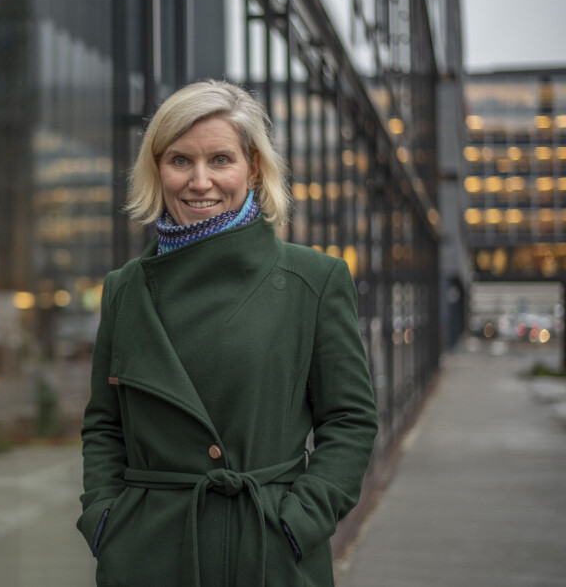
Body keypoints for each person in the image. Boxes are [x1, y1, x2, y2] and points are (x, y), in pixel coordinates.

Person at [78, 80, 378, 586]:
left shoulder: (314, 280)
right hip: (149, 553)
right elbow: (105, 427)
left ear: (253, 168)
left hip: (266, 550)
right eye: (180, 161)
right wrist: (106, 519)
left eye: (220, 160)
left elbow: (350, 420)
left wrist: (298, 521)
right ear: (157, 169)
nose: (200, 182)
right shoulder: (124, 291)